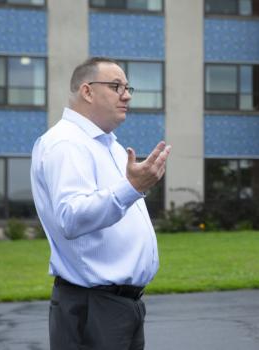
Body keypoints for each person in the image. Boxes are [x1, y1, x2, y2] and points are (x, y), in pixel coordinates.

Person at [31, 57, 171, 350]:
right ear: (87, 91)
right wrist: (133, 187)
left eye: (128, 87)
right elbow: (71, 217)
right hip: (93, 307)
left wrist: (134, 186)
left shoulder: (110, 145)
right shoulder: (67, 143)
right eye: (116, 86)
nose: (127, 94)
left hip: (119, 305)